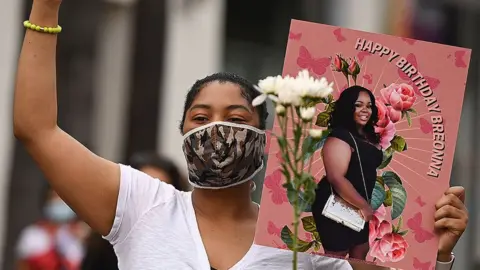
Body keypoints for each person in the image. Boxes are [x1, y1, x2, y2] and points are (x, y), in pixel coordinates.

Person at [13, 0, 468, 269]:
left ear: (267, 137)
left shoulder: (306, 238)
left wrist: (433, 254)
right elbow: (37, 129)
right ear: (182, 133)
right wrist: (46, 6)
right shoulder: (140, 206)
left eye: (236, 116)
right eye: (200, 118)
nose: (217, 129)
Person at [81, 152, 189, 270]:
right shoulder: (102, 244)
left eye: (159, 193)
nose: (150, 200)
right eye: (142, 189)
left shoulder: (183, 249)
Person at [312, 86, 381, 260]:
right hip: (337, 203)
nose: (365, 109)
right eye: (358, 105)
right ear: (348, 107)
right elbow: (336, 178)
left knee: (360, 252)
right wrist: (364, 206)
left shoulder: (367, 137)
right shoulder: (340, 137)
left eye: (369, 105)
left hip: (358, 205)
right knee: (336, 257)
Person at [15, 186, 88, 270]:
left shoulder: (76, 237)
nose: (61, 202)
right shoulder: (32, 235)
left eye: (64, 199)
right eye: (56, 197)